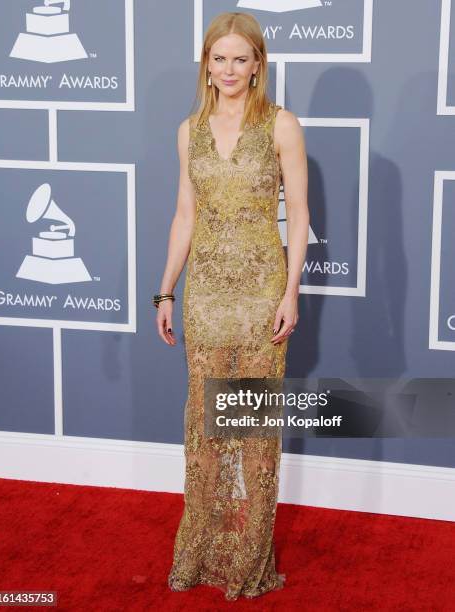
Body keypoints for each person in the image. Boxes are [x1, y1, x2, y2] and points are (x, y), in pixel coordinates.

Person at [154, 11, 309, 601]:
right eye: (219, 59)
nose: (228, 69)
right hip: (207, 295)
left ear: (258, 64)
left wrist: (290, 291)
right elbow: (184, 216)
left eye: (240, 59)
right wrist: (167, 289)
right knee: (205, 428)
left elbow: (298, 212)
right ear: (207, 64)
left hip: (261, 290)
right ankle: (198, 554)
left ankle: (249, 562)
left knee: (252, 429)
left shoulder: (281, 125)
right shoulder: (187, 129)